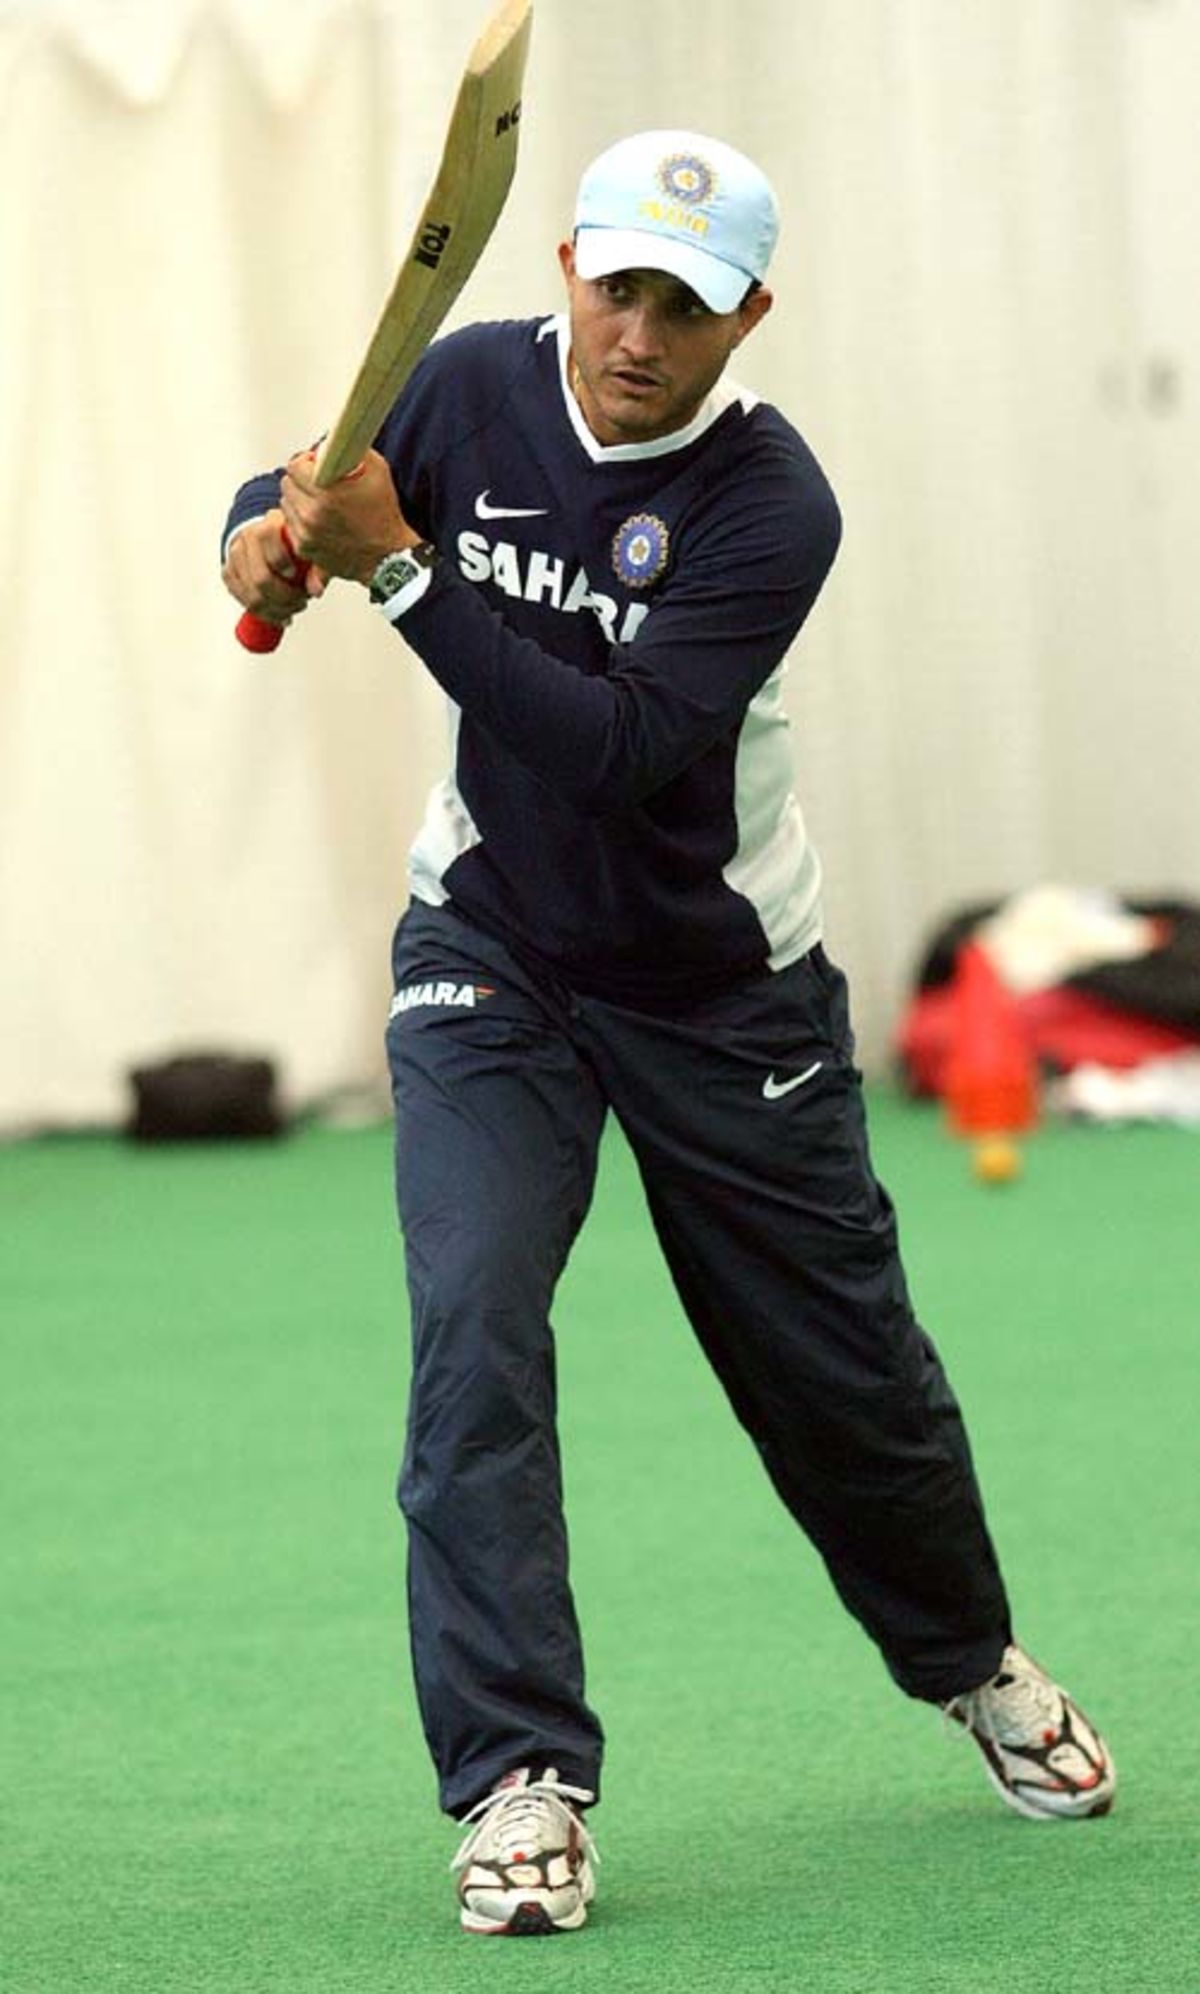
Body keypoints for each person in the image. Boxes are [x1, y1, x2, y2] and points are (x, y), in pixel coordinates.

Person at [221, 129, 1115, 1936]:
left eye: (686, 305)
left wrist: (398, 579)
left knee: (839, 1376)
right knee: (473, 1327)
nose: (639, 331)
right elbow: (301, 484)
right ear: (565, 264)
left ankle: (966, 1655)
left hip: (722, 988)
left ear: (748, 315)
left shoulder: (776, 503)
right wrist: (263, 528)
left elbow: (620, 751)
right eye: (616, 284)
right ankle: (516, 1778)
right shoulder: (469, 386)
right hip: (494, 953)